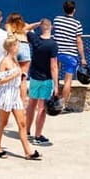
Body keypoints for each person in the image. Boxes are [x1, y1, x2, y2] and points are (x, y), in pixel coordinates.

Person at [0, 35, 41, 160]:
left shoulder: (14, 59)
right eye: (17, 45)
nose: (18, 47)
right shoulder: (4, 62)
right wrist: (13, 76)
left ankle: (28, 152)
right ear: (11, 47)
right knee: (3, 123)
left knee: (22, 123)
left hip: (15, 95)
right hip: (6, 94)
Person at [25, 18, 59, 146]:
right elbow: (54, 66)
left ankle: (26, 132)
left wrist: (36, 23)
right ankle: (38, 136)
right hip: (46, 80)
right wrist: (56, 85)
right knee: (42, 109)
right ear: (51, 27)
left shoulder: (35, 39)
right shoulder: (52, 44)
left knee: (31, 105)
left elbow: (24, 29)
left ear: (40, 27)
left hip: (34, 77)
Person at [53, 0, 86, 111]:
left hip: (56, 53)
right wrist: (83, 58)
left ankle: (53, 100)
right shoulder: (77, 24)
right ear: (74, 10)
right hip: (70, 55)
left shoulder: (57, 20)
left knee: (55, 78)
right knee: (68, 81)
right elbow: (79, 41)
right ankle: (62, 105)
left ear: (64, 9)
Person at [5, 12, 41, 105]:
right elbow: (30, 27)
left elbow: (9, 35)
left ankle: (12, 101)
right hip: (25, 47)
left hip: (15, 47)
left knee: (13, 77)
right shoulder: (24, 25)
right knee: (23, 78)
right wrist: (39, 23)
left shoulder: (8, 25)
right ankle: (22, 102)